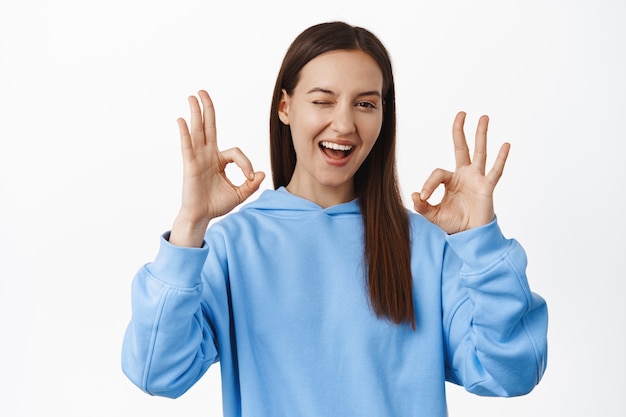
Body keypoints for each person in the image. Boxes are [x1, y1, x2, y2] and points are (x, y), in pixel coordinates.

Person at [121, 21, 548, 416]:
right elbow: (158, 373)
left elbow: (511, 373)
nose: (343, 123)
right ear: (285, 107)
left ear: (383, 115)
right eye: (323, 100)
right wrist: (190, 223)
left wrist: (481, 241)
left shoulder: (424, 245)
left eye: (365, 103)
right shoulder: (234, 245)